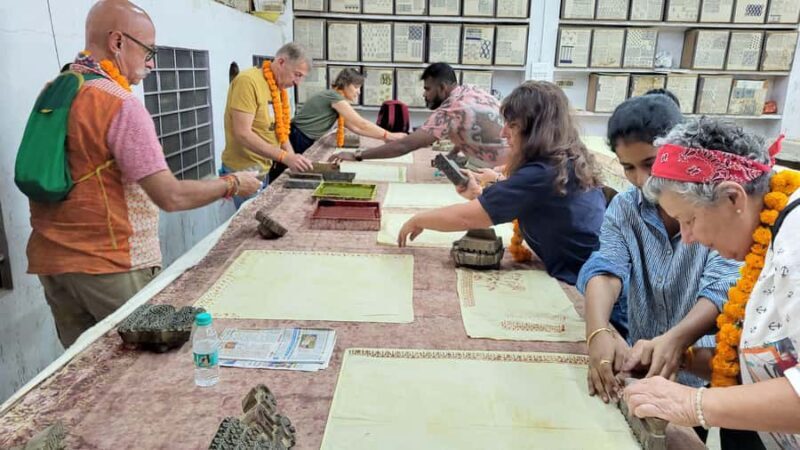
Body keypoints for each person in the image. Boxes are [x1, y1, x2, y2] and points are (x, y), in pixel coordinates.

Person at [22, 0, 260, 348]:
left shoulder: (57, 89)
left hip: (53, 264)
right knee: (141, 367)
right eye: (148, 51)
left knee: (84, 369)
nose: (150, 63)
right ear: (118, 42)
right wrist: (233, 183)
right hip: (110, 266)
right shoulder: (119, 103)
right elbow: (170, 196)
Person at [623, 117, 800, 449]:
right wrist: (683, 357)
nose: (688, 239)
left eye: (689, 220)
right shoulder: (770, 239)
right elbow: (774, 360)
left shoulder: (797, 243)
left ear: (733, 198)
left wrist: (693, 404)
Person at [577, 94, 741, 421]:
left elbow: (722, 287)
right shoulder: (625, 208)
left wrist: (676, 341)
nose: (641, 180)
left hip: (704, 371)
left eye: (650, 164)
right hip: (644, 368)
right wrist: (598, 333)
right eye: (628, 167)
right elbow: (606, 268)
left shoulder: (710, 206)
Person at [396, 81, 605, 285]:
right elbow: (525, 205)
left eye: (512, 125)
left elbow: (465, 218)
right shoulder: (564, 160)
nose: (503, 133)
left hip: (589, 280)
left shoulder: (542, 173)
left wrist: (418, 219)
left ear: (536, 131)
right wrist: (480, 196)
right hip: (593, 272)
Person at [330, 62, 509, 169]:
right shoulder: (471, 90)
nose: (424, 95)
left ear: (443, 88)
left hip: (500, 169)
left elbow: (404, 146)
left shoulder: (451, 109)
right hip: (517, 157)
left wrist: (357, 155)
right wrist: (452, 155)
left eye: (427, 89)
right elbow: (470, 128)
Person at [220, 43, 314, 208]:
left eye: (301, 77)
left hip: (264, 168)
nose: (297, 82)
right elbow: (243, 133)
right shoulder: (248, 81)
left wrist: (294, 160)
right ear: (281, 62)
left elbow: (281, 132)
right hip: (244, 171)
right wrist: (284, 157)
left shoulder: (278, 88)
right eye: (297, 74)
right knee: (251, 224)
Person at [289, 68, 406, 156]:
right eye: (356, 87)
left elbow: (356, 128)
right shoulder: (334, 97)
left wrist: (384, 138)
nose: (359, 92)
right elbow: (361, 124)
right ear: (344, 84)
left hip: (301, 137)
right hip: (297, 137)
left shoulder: (336, 97)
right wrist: (390, 135)